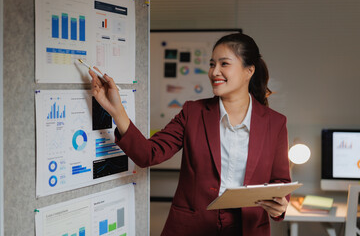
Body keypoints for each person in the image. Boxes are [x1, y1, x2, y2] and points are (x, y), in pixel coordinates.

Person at [89, 33, 291, 236]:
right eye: (212, 64)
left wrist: (280, 205)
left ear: (249, 71)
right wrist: (117, 111)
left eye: (224, 64)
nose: (214, 72)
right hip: (192, 227)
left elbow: (280, 182)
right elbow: (148, 154)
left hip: (248, 227)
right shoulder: (193, 112)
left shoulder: (275, 123)